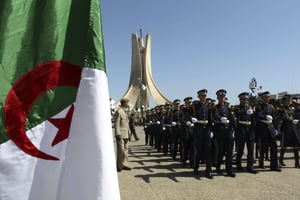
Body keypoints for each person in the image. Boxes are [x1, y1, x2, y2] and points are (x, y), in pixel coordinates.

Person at [255, 91, 281, 171]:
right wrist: (265, 117)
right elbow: (258, 116)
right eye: (265, 97)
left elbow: (274, 118)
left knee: (274, 147)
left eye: (268, 97)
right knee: (263, 147)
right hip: (263, 128)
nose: (267, 99)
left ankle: (274, 165)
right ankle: (261, 163)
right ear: (262, 98)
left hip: (271, 128)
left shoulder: (271, 107)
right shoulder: (259, 106)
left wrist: (276, 128)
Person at [212, 89, 236, 177]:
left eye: (223, 96)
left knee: (229, 152)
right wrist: (219, 119)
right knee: (221, 151)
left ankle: (229, 170)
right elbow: (215, 116)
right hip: (220, 131)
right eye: (220, 96)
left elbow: (233, 118)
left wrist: (234, 129)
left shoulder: (229, 107)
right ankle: (218, 166)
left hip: (229, 131)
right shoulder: (215, 107)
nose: (222, 98)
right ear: (217, 97)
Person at [192, 89, 213, 179]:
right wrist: (192, 119)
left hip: (207, 130)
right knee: (199, 150)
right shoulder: (195, 106)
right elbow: (191, 115)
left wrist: (211, 129)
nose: (203, 97)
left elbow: (211, 118)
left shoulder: (209, 106)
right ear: (198, 97)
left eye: (204, 96)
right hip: (199, 130)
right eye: (201, 96)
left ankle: (208, 171)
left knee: (208, 151)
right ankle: (196, 167)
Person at [234, 92, 257, 174]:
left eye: (246, 99)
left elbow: (253, 119)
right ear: (240, 99)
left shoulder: (250, 107)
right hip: (241, 129)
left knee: (251, 149)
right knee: (240, 148)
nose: (245, 100)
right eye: (243, 99)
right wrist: (244, 112)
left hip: (250, 129)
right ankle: (238, 163)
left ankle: (250, 166)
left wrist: (253, 128)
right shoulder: (237, 107)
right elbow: (236, 115)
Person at [278, 94, 300, 168]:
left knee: (296, 145)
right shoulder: (281, 109)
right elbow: (282, 118)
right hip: (286, 129)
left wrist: (295, 120)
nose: (290, 101)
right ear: (285, 101)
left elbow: (295, 116)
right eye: (289, 100)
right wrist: (291, 120)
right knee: (284, 146)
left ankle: (297, 163)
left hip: (293, 129)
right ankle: (280, 160)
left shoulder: (292, 109)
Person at [115, 98, 131, 172]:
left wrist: (129, 132)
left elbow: (127, 123)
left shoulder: (125, 111)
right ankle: (119, 165)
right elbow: (117, 123)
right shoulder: (119, 111)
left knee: (126, 150)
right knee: (120, 150)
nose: (128, 104)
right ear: (124, 103)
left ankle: (124, 164)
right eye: (128, 103)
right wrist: (117, 133)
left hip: (126, 134)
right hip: (121, 133)